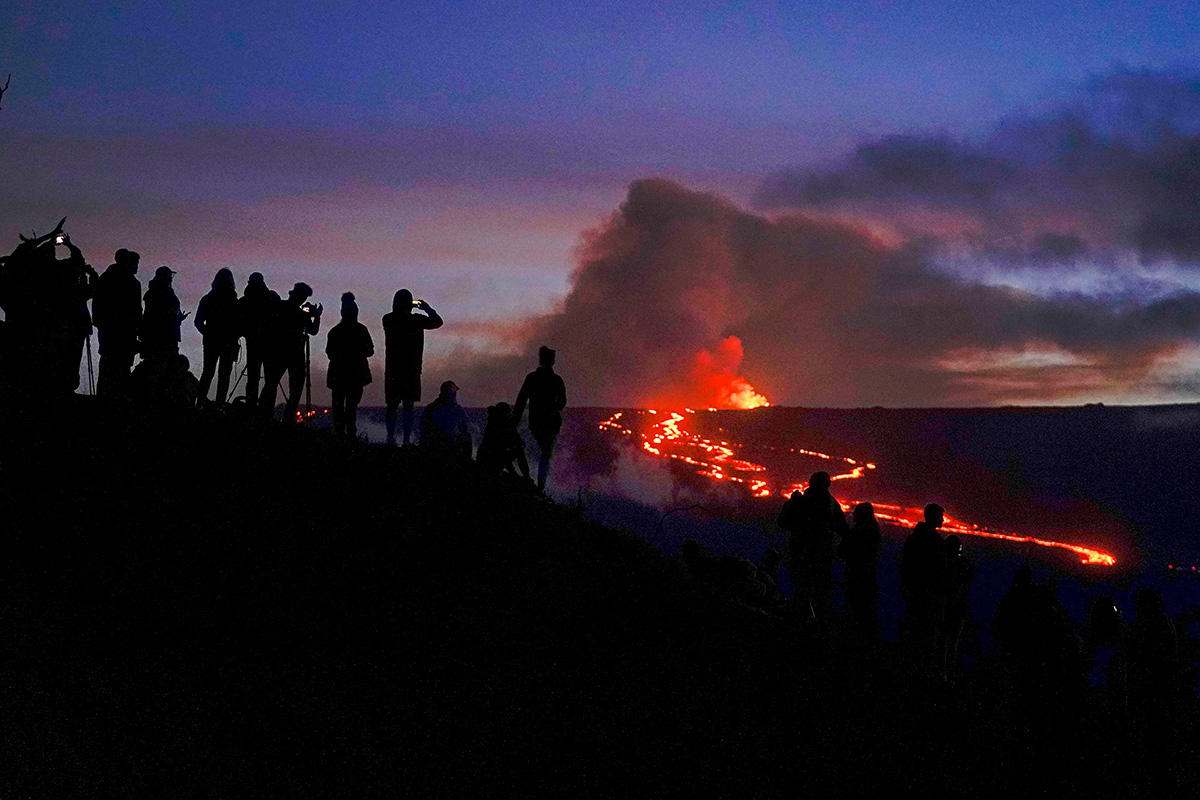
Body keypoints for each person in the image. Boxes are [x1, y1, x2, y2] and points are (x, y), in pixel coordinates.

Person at [778, 471, 848, 621]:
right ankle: (814, 622)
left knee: (801, 586)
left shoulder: (800, 501)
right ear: (827, 485)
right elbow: (842, 528)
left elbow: (782, 522)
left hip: (800, 550)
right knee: (819, 590)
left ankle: (799, 618)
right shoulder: (830, 504)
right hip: (820, 553)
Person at [382, 289, 442, 445]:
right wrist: (427, 309)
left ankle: (390, 439)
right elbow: (437, 322)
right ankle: (406, 440)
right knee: (408, 407)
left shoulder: (388, 319)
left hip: (393, 370)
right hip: (411, 370)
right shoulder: (416, 320)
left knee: (392, 407)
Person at [259, 282, 321, 420]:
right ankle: (287, 419)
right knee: (295, 389)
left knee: (271, 384)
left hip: (278, 352)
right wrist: (316, 316)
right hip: (294, 355)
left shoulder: (279, 307)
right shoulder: (300, 314)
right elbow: (313, 331)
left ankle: (264, 414)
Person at [901, 503, 947, 676]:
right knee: (927, 635)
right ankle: (924, 674)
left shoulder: (915, 538)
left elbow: (906, 564)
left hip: (915, 591)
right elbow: (939, 570)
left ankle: (913, 670)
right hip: (928, 594)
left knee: (915, 632)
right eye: (940, 516)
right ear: (934, 518)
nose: (942, 520)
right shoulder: (935, 542)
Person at [514, 345, 567, 491]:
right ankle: (541, 486)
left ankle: (530, 479)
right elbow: (562, 402)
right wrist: (553, 406)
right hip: (551, 422)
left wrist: (514, 422)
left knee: (534, 451)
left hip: (535, 422)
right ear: (552, 361)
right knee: (546, 454)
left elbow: (521, 400)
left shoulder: (532, 378)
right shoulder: (556, 380)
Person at [93, 248, 142, 397]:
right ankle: (116, 397)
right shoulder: (131, 283)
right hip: (120, 331)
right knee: (119, 364)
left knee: (110, 363)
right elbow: (136, 310)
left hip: (112, 329)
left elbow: (97, 301)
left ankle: (107, 395)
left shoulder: (106, 278)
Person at [325, 292, 375, 439]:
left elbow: (329, 353)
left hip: (338, 374)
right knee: (351, 406)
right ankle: (350, 434)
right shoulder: (361, 330)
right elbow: (370, 351)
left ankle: (340, 433)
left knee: (338, 406)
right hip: (356, 373)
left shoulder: (335, 331)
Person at [194, 268, 240, 406]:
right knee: (224, 375)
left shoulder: (207, 299)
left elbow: (198, 322)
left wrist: (208, 334)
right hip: (228, 343)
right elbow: (239, 324)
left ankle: (199, 403)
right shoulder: (234, 301)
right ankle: (219, 405)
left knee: (207, 372)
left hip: (211, 342)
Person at [839, 501, 883, 636]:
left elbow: (841, 551)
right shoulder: (875, 533)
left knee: (855, 610)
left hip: (855, 576)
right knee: (866, 612)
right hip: (869, 577)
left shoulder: (856, 533)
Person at [237, 272, 279, 408]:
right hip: (270, 344)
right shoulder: (272, 297)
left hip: (253, 343)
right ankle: (265, 409)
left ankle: (251, 407)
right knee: (270, 379)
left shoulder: (244, 300)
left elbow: (240, 322)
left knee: (253, 378)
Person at [942, 534, 975, 681]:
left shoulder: (944, 563)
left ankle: (944, 673)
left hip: (947, 606)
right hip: (956, 608)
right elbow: (969, 578)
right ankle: (949, 675)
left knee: (944, 641)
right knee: (952, 643)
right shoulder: (961, 564)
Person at [140, 266, 187, 363]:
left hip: (164, 335)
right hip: (162, 336)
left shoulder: (156, 292)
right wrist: (175, 319)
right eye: (169, 276)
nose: (171, 279)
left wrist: (177, 319)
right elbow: (161, 317)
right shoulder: (161, 293)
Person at [476, 402, 531, 479]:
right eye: (508, 412)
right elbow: (502, 450)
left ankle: (521, 475)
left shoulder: (493, 423)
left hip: (484, 460)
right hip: (490, 461)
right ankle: (526, 476)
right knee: (518, 450)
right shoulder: (501, 425)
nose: (510, 415)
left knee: (515, 449)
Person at [420, 379, 471, 459]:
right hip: (448, 447)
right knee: (467, 437)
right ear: (454, 394)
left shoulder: (429, 408)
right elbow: (464, 429)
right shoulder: (458, 410)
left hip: (431, 446)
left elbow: (422, 428)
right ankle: (466, 463)